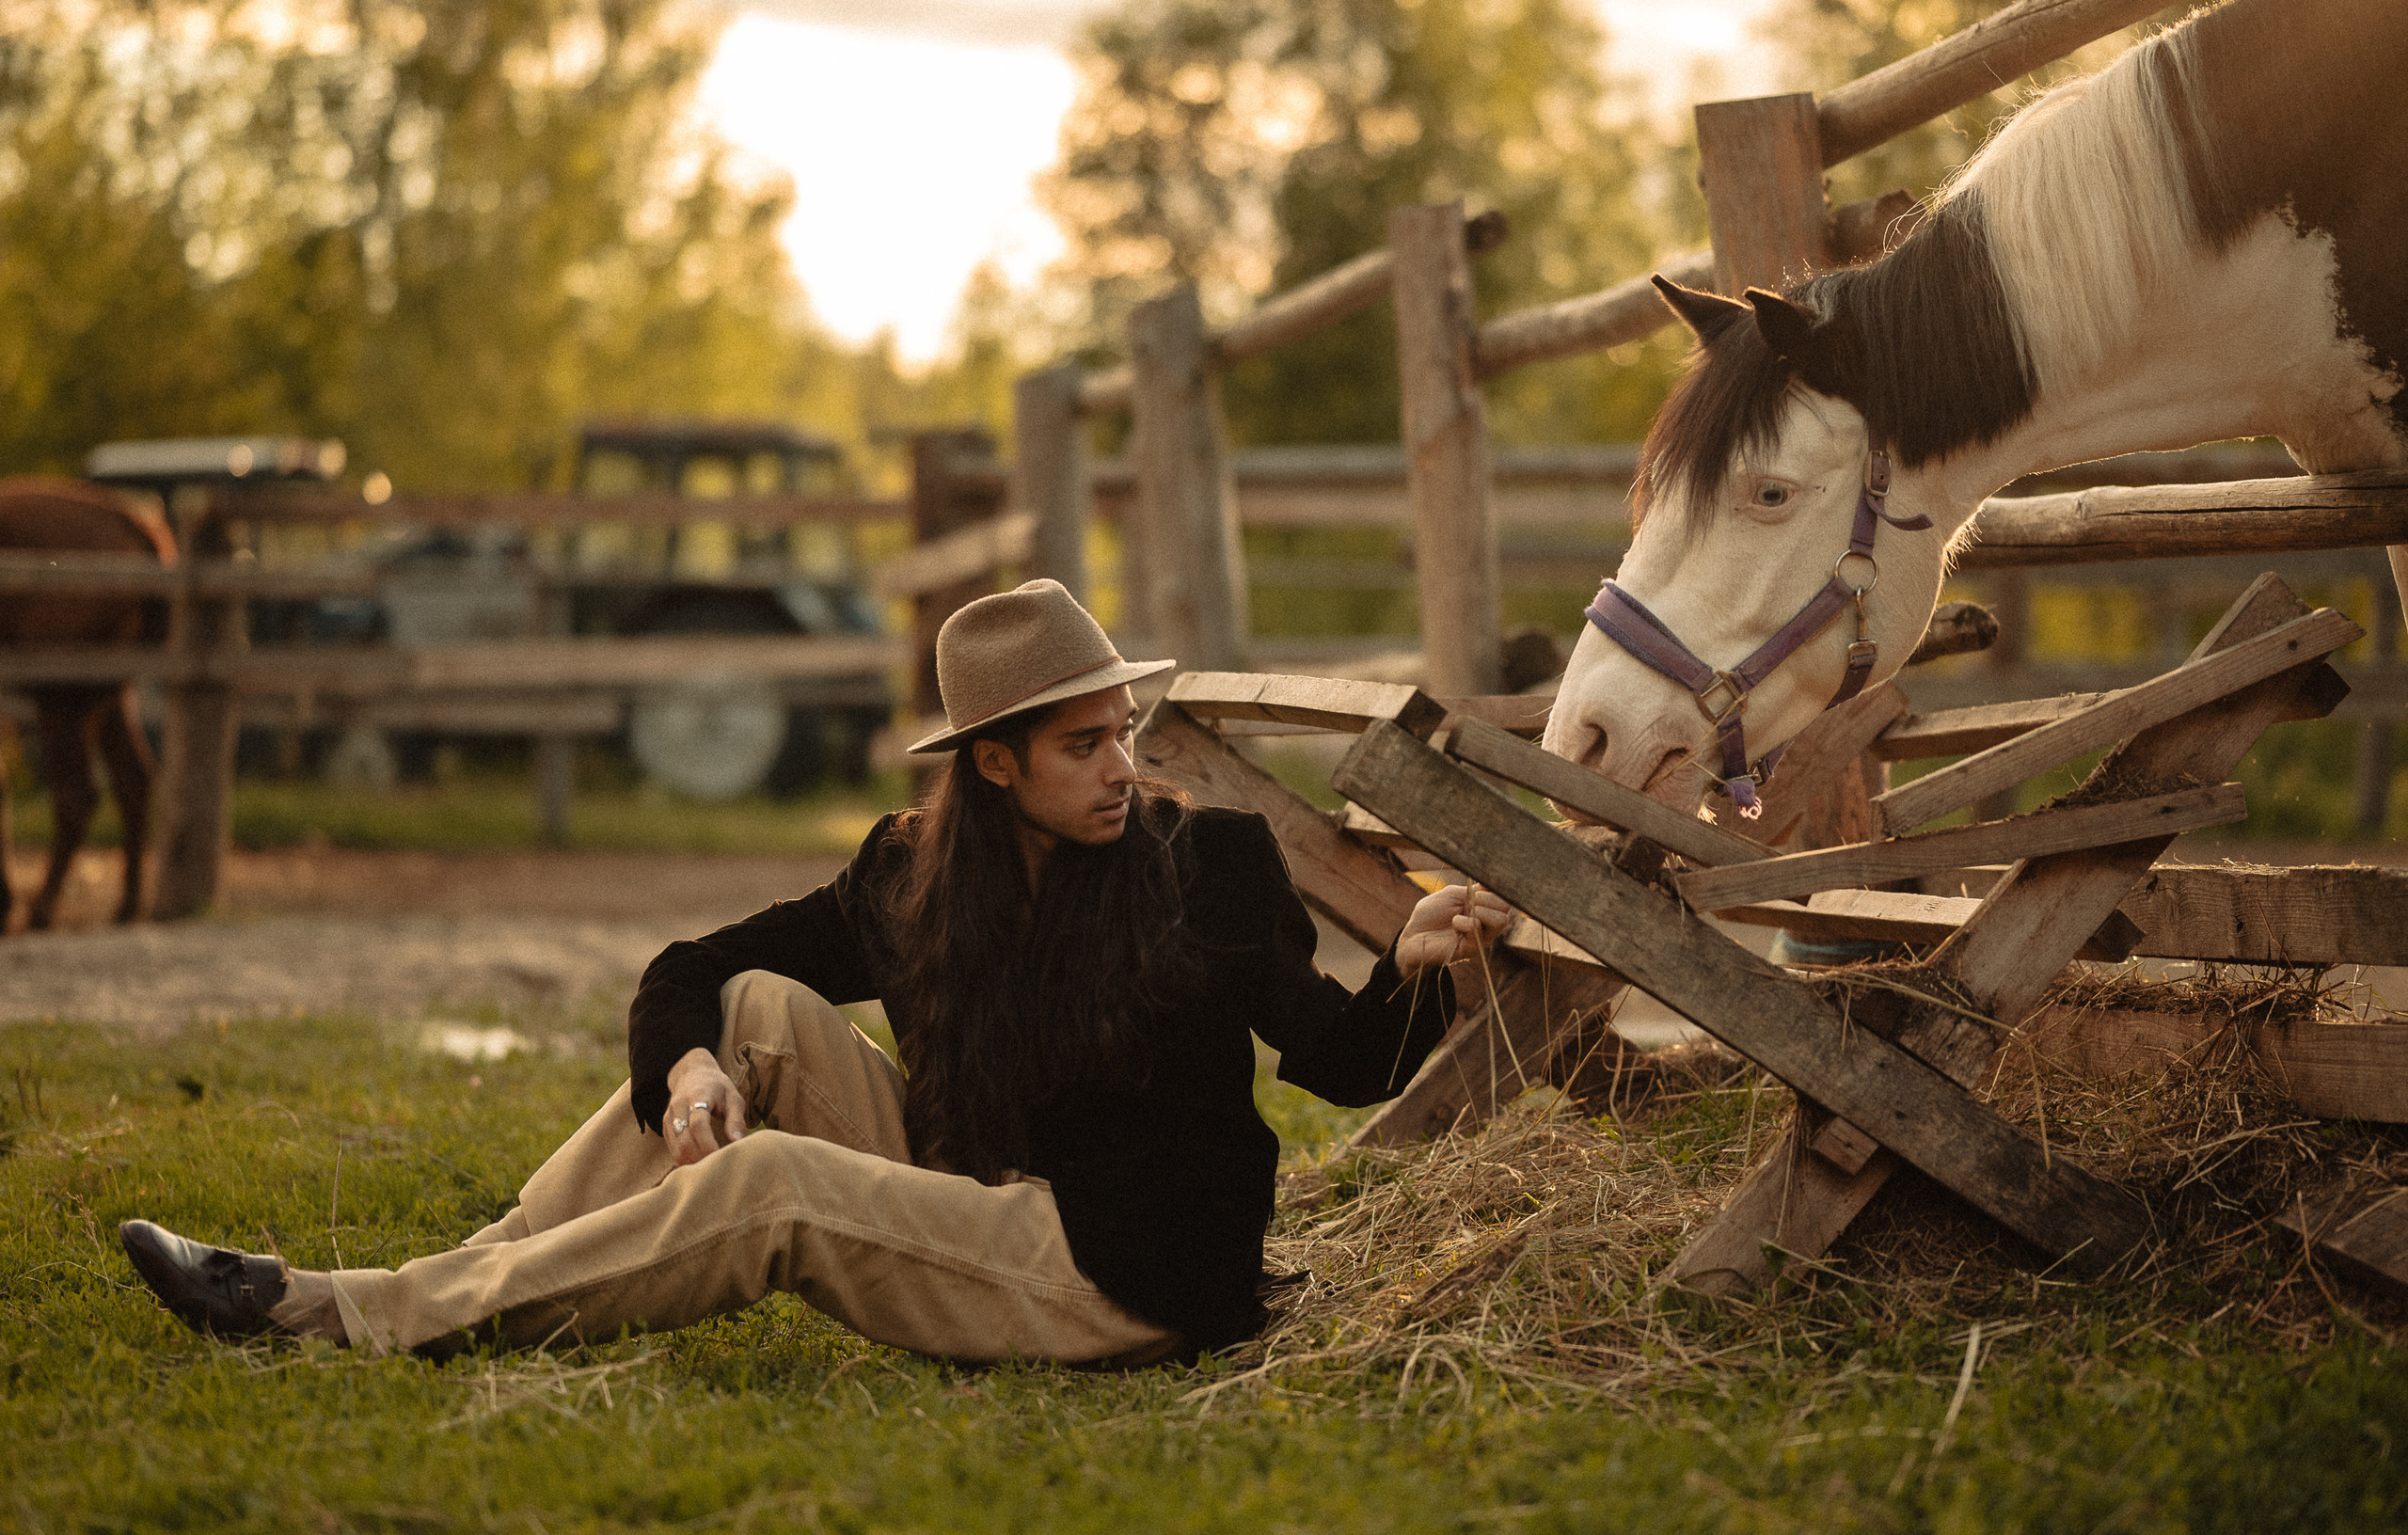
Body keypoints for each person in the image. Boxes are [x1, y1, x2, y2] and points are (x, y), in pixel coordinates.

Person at [119, 579, 1510, 1365]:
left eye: (1122, 728)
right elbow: (694, 964)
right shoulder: (910, 875)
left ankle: (340, 1313)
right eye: (1083, 744)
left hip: (1117, 1271)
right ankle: (447, 1277)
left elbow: (1337, 1058)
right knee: (758, 1008)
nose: (1121, 765)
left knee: (773, 1184)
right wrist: (689, 1062)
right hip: (977, 1188)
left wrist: (1421, 961)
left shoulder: (1201, 862)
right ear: (994, 763)